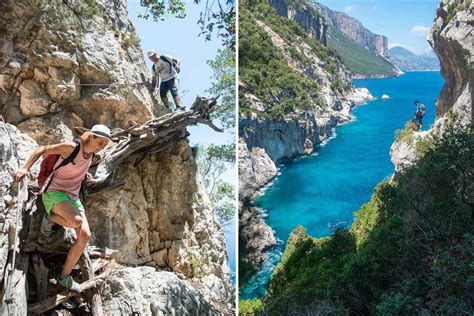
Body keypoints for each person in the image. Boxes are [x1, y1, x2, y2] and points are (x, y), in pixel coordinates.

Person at [15, 124, 112, 293]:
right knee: (76, 221)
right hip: (53, 192)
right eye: (100, 142)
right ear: (91, 137)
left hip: (72, 196)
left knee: (85, 236)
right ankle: (50, 217)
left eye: (105, 144)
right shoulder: (71, 148)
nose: (102, 146)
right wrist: (25, 168)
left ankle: (63, 277)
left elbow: (75, 167)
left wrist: (84, 174)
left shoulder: (91, 154)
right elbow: (42, 149)